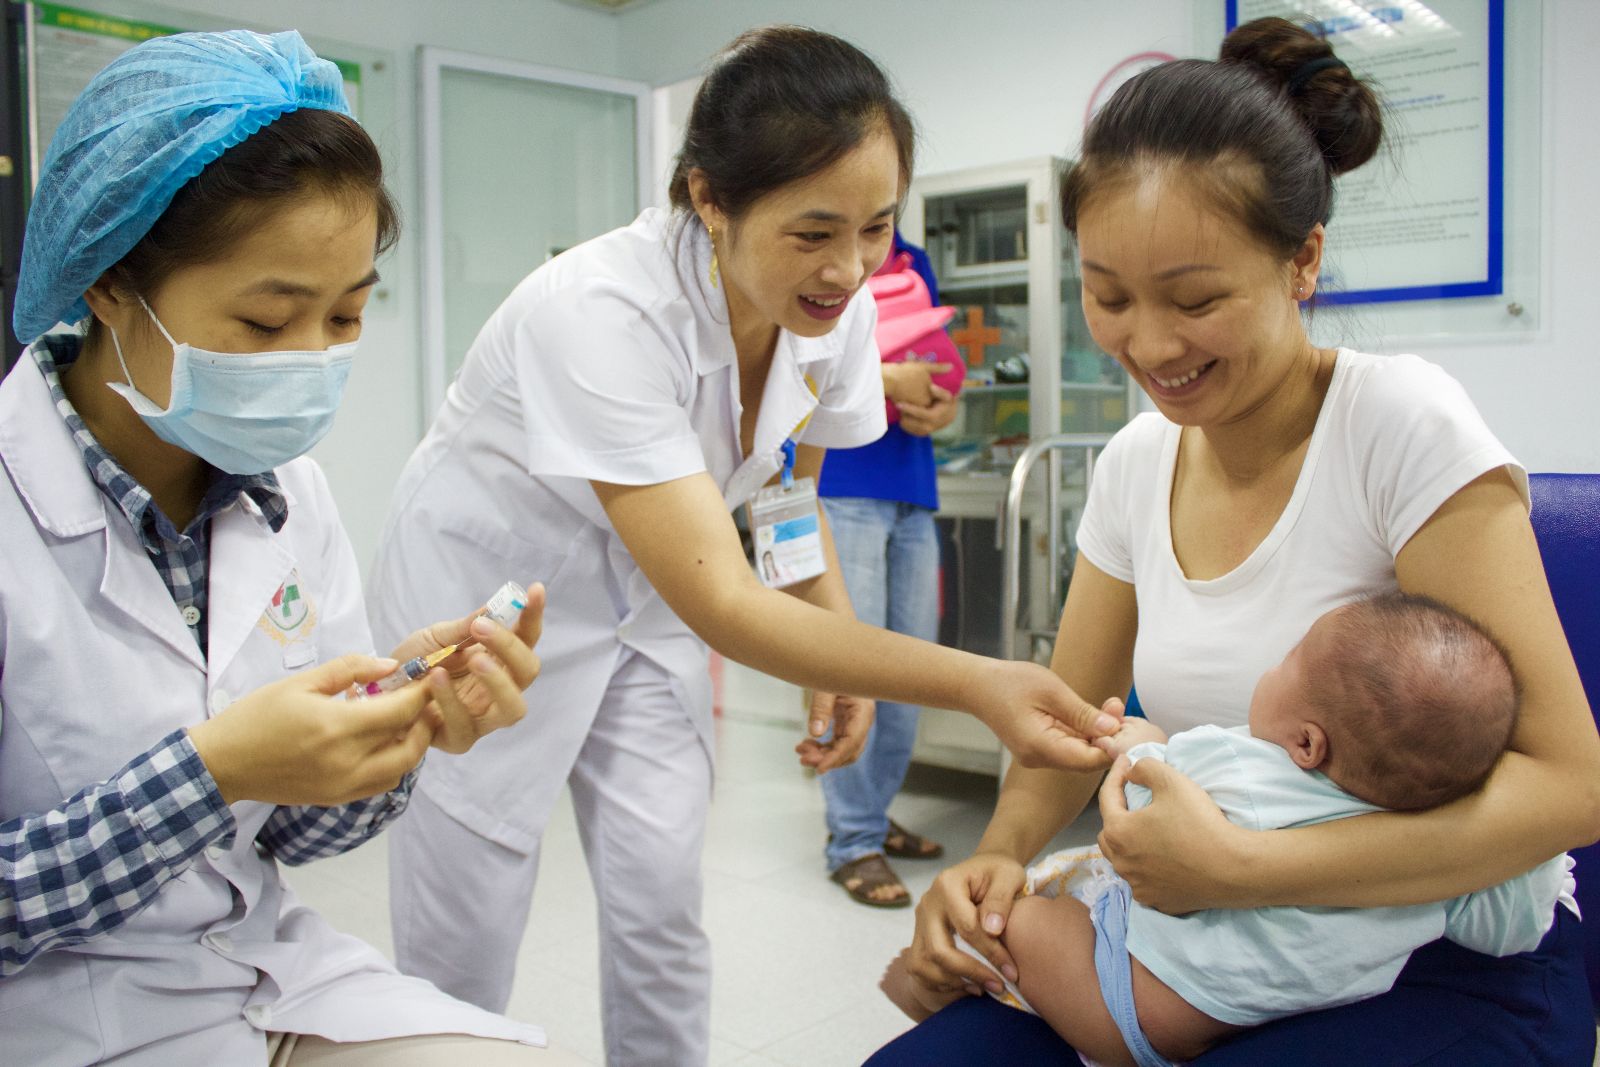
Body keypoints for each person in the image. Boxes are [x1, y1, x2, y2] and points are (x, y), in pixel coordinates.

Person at [365, 26, 1119, 1067]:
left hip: (644, 607)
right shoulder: (602, 309)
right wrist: (981, 682)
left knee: (663, 901)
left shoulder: (832, 310)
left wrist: (840, 641)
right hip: (488, 607)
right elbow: (719, 596)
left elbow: (780, 499)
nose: (848, 268)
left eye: (875, 227)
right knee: (469, 914)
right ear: (708, 196)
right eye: (812, 231)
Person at [873, 17, 1599, 1066]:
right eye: (1108, 295)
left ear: (1301, 260)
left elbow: (1571, 785)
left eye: (1196, 298)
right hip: (1198, 930)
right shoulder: (1133, 464)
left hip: (1421, 941)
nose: (1149, 345)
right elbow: (1069, 725)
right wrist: (994, 858)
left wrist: (1243, 869)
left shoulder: (1398, 428)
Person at [0, 31, 576, 1066]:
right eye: (267, 322)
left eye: (348, 313)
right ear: (108, 283)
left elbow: (293, 837)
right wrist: (209, 773)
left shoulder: (285, 498)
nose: (312, 360)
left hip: (265, 975)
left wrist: (401, 732)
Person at [882, 593, 1572, 1065]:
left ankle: (920, 986)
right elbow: (1513, 925)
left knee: (1021, 920)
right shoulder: (1451, 868)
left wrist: (1132, 737)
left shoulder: (1242, 767)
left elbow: (1149, 789)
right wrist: (1533, 863)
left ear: (1307, 743)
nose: (1270, 668)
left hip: (1131, 995)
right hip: (1230, 1017)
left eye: (1284, 664)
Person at [817, 231, 958, 908]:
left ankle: (871, 816)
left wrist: (939, 405)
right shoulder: (820, 249)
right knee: (851, 666)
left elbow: (936, 361)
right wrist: (886, 379)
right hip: (842, 486)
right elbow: (795, 368)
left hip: (913, 486)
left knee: (909, 672)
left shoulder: (915, 259)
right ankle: (851, 840)